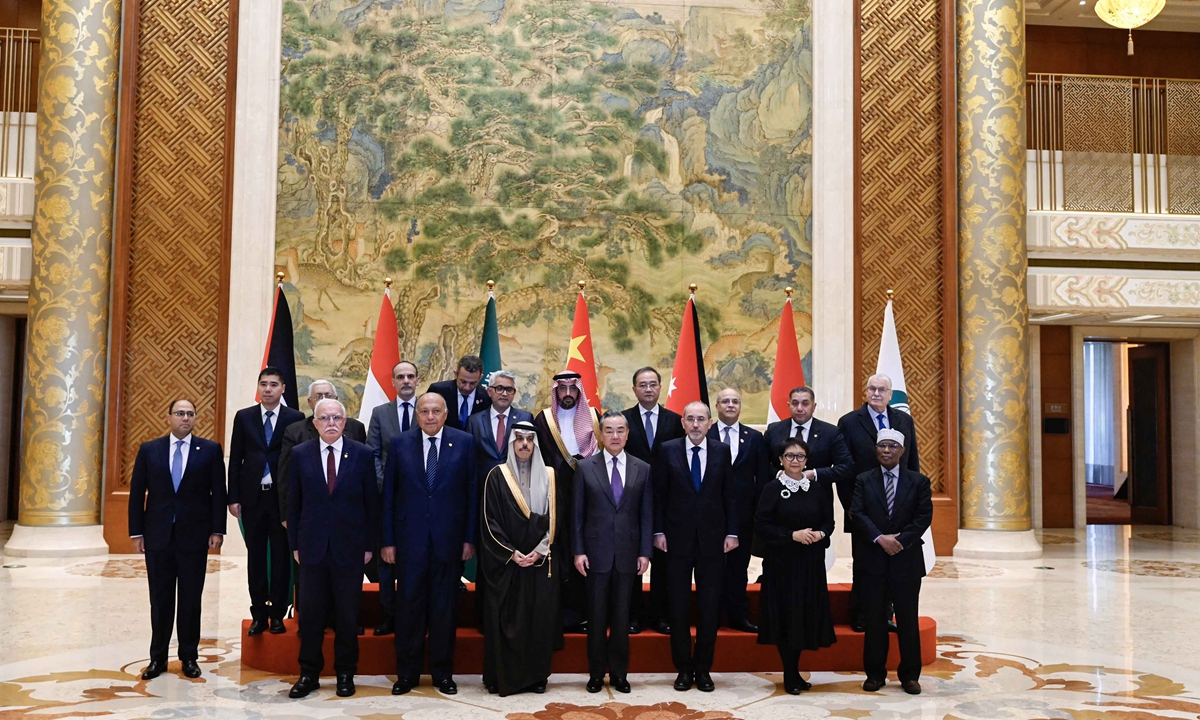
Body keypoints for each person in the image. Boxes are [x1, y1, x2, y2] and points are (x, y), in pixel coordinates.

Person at [381, 393, 477, 696]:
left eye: (436, 411)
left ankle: (442, 673)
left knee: (444, 611)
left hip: (449, 545)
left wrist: (469, 538)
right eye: (425, 411)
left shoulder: (463, 442)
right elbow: (389, 497)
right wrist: (388, 541)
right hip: (410, 544)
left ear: (446, 413)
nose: (431, 416)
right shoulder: (400, 443)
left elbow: (471, 494)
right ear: (417, 415)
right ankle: (406, 674)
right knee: (408, 611)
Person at [285, 399, 378, 699]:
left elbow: (370, 505)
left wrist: (368, 545)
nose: (331, 423)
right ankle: (309, 673)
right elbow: (293, 503)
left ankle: (345, 673)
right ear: (314, 422)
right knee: (311, 617)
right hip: (311, 549)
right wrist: (295, 545)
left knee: (347, 617)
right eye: (324, 418)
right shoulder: (300, 454)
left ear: (345, 420)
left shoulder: (362, 454)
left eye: (336, 417)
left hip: (349, 550)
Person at [128, 399, 226, 680]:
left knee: (190, 599)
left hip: (194, 537)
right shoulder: (150, 449)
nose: (185, 418)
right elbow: (137, 494)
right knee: (160, 600)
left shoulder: (209, 450)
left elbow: (218, 492)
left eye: (190, 414)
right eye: (180, 413)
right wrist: (136, 532)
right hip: (158, 536)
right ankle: (157, 658)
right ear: (169, 417)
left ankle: (189, 656)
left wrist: (217, 530)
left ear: (196, 419)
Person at [653, 401, 737, 693]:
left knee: (709, 605)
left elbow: (730, 495)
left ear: (710, 423)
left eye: (701, 419)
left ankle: (703, 668)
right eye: (691, 419)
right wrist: (658, 531)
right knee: (677, 605)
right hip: (676, 539)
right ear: (683, 423)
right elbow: (659, 495)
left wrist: (733, 533)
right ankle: (683, 669)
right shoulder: (668, 450)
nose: (696, 424)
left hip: (713, 540)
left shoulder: (721, 451)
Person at [479, 421, 564, 696]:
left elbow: (555, 518)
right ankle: (502, 678)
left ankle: (537, 677)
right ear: (512, 443)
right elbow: (489, 521)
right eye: (519, 439)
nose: (525, 444)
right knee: (505, 622)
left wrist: (540, 550)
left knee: (538, 621)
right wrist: (511, 553)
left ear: (536, 444)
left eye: (530, 439)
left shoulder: (550, 475)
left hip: (540, 562)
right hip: (508, 564)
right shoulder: (496, 475)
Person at [574, 410, 652, 695]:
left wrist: (645, 552)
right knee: (595, 618)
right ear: (600, 434)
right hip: (595, 555)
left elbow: (646, 514)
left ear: (628, 434)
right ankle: (596, 674)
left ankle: (620, 674)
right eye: (609, 430)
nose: (615, 435)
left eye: (620, 430)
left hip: (629, 556)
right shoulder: (585, 468)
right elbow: (577, 515)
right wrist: (578, 551)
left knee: (622, 618)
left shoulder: (642, 468)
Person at [850, 428, 932, 695]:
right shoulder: (863, 479)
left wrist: (900, 540)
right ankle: (875, 674)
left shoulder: (919, 481)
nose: (886, 450)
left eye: (892, 446)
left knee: (907, 620)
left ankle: (910, 676)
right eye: (882, 445)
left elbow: (923, 517)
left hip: (906, 560)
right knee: (874, 620)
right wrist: (879, 538)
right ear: (876, 449)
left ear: (902, 450)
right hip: (873, 560)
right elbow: (857, 513)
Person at [837, 373, 920, 631]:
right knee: (865, 566)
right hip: (863, 510)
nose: (876, 393)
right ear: (866, 391)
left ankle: (886, 615)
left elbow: (912, 464)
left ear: (889, 393)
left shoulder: (904, 421)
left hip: (898, 509)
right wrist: (851, 508)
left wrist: (912, 505)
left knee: (893, 566)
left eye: (881, 389)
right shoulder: (849, 422)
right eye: (872, 388)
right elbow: (844, 469)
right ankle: (861, 617)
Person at [755, 437, 836, 694]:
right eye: (789, 455)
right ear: (781, 459)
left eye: (800, 456)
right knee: (786, 618)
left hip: (810, 563)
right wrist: (792, 535)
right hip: (782, 564)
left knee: (804, 617)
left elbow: (829, 522)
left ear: (806, 460)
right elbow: (762, 524)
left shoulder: (818, 489)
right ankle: (790, 674)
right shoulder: (772, 488)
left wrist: (819, 535)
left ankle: (796, 671)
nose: (795, 461)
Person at [228, 367, 305, 634]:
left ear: (283, 388)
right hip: (252, 498)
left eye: (274, 384)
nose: (268, 389)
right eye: (264, 384)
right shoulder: (244, 417)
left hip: (281, 499)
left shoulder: (295, 418)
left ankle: (277, 615)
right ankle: (258, 612)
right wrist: (233, 497)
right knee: (256, 557)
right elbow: (235, 459)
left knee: (282, 558)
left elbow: (299, 463)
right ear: (258, 388)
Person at [533, 371, 601, 632]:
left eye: (573, 389)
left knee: (584, 551)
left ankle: (584, 614)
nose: (568, 394)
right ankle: (558, 614)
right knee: (559, 553)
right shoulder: (544, 419)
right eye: (563, 389)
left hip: (587, 498)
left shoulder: (594, 417)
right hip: (555, 497)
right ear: (556, 391)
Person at [467, 370, 534, 629]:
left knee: (512, 557)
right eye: (499, 388)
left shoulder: (525, 418)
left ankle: (512, 617)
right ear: (489, 391)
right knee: (488, 559)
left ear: (514, 394)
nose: (504, 393)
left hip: (516, 501)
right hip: (484, 499)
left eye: (509, 389)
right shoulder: (475, 421)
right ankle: (486, 619)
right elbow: (471, 459)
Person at [621, 366, 682, 635]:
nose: (648, 389)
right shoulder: (622, 420)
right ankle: (634, 616)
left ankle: (660, 616)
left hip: (667, 502)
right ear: (634, 389)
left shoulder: (675, 420)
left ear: (660, 388)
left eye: (653, 384)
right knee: (632, 561)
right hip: (630, 501)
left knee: (663, 563)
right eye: (642, 384)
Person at [707, 387, 771, 633]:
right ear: (717, 405)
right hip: (709, 514)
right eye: (725, 401)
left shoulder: (754, 437)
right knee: (710, 568)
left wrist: (759, 513)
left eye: (735, 401)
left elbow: (762, 478)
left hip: (743, 515)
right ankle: (711, 616)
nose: (731, 405)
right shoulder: (705, 433)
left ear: (740, 406)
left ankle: (738, 615)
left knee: (737, 568)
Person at [366, 360, 419, 636]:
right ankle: (387, 616)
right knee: (385, 562)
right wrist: (385, 486)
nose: (406, 381)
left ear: (418, 381)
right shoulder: (380, 413)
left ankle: (411, 615)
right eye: (401, 377)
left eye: (411, 376)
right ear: (393, 382)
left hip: (420, 503)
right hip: (386, 501)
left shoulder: (428, 410)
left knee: (413, 561)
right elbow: (372, 453)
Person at [279, 380, 366, 521]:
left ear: (337, 399)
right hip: (310, 515)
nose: (324, 400)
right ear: (309, 402)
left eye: (328, 395)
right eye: (319, 396)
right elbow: (286, 477)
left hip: (350, 514)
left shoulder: (356, 428)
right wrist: (286, 515)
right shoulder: (295, 431)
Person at [427, 354, 491, 431]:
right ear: (456, 374)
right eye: (463, 382)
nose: (467, 387)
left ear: (480, 377)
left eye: (472, 383)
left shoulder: (486, 397)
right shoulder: (438, 391)